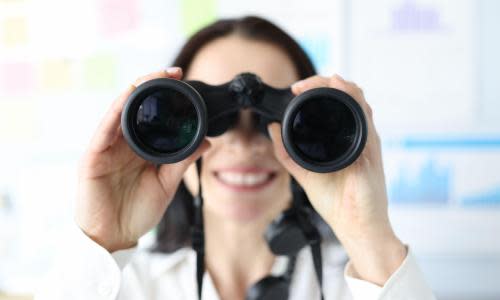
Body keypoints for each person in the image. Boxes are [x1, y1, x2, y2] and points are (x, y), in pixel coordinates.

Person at [35, 16, 436, 300]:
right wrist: (103, 237)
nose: (244, 144)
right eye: (208, 119)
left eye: (273, 122)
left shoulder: (361, 283)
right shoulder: (120, 286)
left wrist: (369, 238)